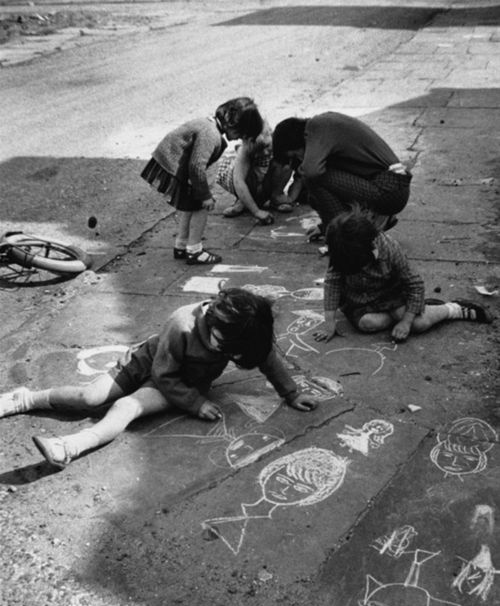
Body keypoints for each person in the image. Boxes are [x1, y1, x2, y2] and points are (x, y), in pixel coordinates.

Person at [0, 288, 319, 470]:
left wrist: (290, 393)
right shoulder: (182, 324)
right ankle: (25, 398)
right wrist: (196, 404)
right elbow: (162, 373)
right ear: (213, 322)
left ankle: (68, 447)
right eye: (224, 347)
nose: (228, 355)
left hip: (180, 383)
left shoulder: (243, 331)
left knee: (126, 407)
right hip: (152, 368)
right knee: (90, 398)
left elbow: (266, 357)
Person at [312, 205, 493, 343]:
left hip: (392, 295)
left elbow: (414, 284)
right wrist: (329, 321)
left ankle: (453, 309)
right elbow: (332, 283)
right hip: (359, 302)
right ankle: (417, 310)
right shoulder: (343, 250)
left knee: (418, 325)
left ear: (370, 250)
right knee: (368, 324)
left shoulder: (389, 249)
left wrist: (406, 321)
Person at [141, 97, 263, 265]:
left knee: (188, 205)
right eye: (240, 135)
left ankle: (181, 245)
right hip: (175, 166)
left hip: (172, 164)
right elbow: (197, 166)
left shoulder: (208, 124)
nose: (237, 140)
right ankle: (195, 250)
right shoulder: (211, 134)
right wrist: (205, 196)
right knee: (200, 207)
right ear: (232, 124)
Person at [272, 111, 412, 240]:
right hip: (392, 186)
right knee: (314, 196)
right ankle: (362, 222)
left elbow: (311, 171)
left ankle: (345, 237)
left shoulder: (317, 128)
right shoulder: (323, 126)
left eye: (296, 154)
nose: (300, 159)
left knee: (314, 180)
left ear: (296, 140)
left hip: (390, 189)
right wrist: (325, 227)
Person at [216, 119, 304, 223]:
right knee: (239, 172)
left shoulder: (279, 142)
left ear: (271, 134)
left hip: (267, 184)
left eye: (267, 146)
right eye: (259, 150)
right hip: (251, 184)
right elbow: (239, 182)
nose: (266, 152)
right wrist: (257, 212)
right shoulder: (244, 150)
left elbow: (301, 170)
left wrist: (292, 197)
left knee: (285, 164)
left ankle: (277, 196)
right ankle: (243, 200)